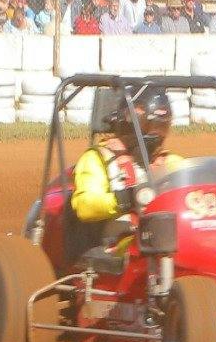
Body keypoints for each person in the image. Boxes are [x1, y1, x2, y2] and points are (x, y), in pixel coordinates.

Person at [68, 84, 181, 261]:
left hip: (169, 240)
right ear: (128, 120)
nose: (156, 133)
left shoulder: (172, 162)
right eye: (150, 125)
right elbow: (84, 206)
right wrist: (125, 198)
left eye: (161, 126)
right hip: (119, 246)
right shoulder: (99, 159)